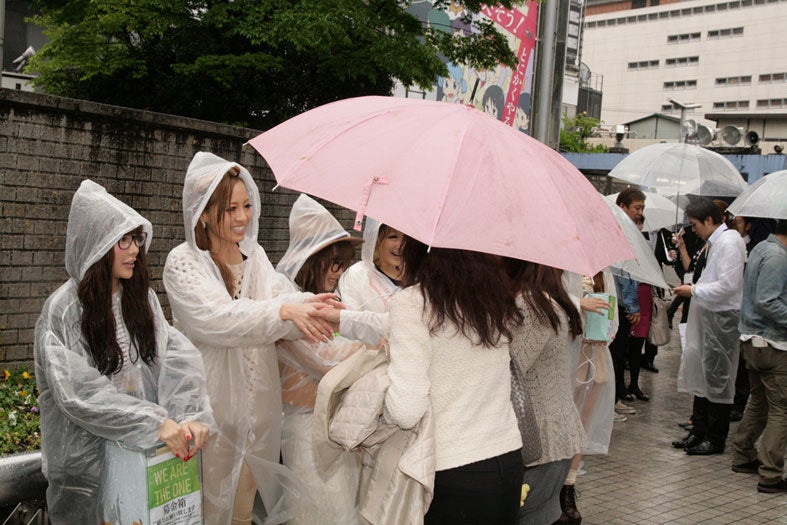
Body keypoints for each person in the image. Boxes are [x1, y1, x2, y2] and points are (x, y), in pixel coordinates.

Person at [163, 152, 336, 525]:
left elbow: (280, 297)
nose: (243, 217)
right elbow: (218, 320)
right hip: (207, 417)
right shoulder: (183, 263)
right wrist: (284, 311)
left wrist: (314, 307)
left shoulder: (254, 256)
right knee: (202, 513)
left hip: (258, 418)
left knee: (242, 514)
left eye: (246, 206)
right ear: (204, 212)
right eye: (231, 209)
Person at [34, 180, 213, 523]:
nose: (134, 251)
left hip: (145, 459)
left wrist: (191, 414)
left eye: (137, 240)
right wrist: (154, 420)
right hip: (86, 470)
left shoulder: (139, 298)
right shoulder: (64, 310)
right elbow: (78, 394)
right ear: (96, 245)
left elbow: (175, 357)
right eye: (124, 241)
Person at [384, 239, 523, 524]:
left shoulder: (412, 303)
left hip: (451, 469)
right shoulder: (495, 301)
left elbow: (406, 410)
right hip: (507, 458)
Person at [275, 194, 367, 524]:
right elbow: (324, 360)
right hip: (304, 427)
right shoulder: (288, 305)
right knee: (314, 512)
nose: (339, 271)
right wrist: (373, 347)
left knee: (344, 510)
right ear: (314, 260)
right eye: (334, 262)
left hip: (338, 426)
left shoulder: (331, 299)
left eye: (343, 263)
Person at [505, 260, 586, 525]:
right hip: (550, 438)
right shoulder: (543, 302)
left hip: (540, 441)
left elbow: (510, 369)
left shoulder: (531, 307)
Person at [672, 197, 746, 456]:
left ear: (709, 220)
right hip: (709, 316)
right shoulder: (715, 242)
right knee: (703, 375)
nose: (694, 230)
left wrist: (693, 290)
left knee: (718, 379)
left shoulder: (729, 242)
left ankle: (715, 438)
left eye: (695, 224)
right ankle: (699, 430)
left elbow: (728, 285)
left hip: (722, 318)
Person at [730, 219, 787, 493]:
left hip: (754, 341)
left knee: (760, 402)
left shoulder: (763, 248)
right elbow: (768, 301)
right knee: (781, 409)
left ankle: (743, 454)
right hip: (772, 343)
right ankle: (770, 474)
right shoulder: (777, 257)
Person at [561, 269, 618, 524]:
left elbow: (611, 315)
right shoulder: (556, 266)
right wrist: (577, 302)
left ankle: (568, 488)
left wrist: (605, 332)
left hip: (594, 356)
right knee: (561, 422)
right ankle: (551, 487)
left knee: (581, 424)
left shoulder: (603, 270)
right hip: (563, 357)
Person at [609, 188, 646, 413]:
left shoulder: (625, 230)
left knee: (618, 353)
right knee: (615, 353)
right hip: (619, 302)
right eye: (637, 208)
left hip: (619, 301)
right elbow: (624, 273)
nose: (640, 213)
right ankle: (611, 401)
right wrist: (632, 305)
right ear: (622, 206)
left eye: (642, 208)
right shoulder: (620, 232)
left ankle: (616, 396)